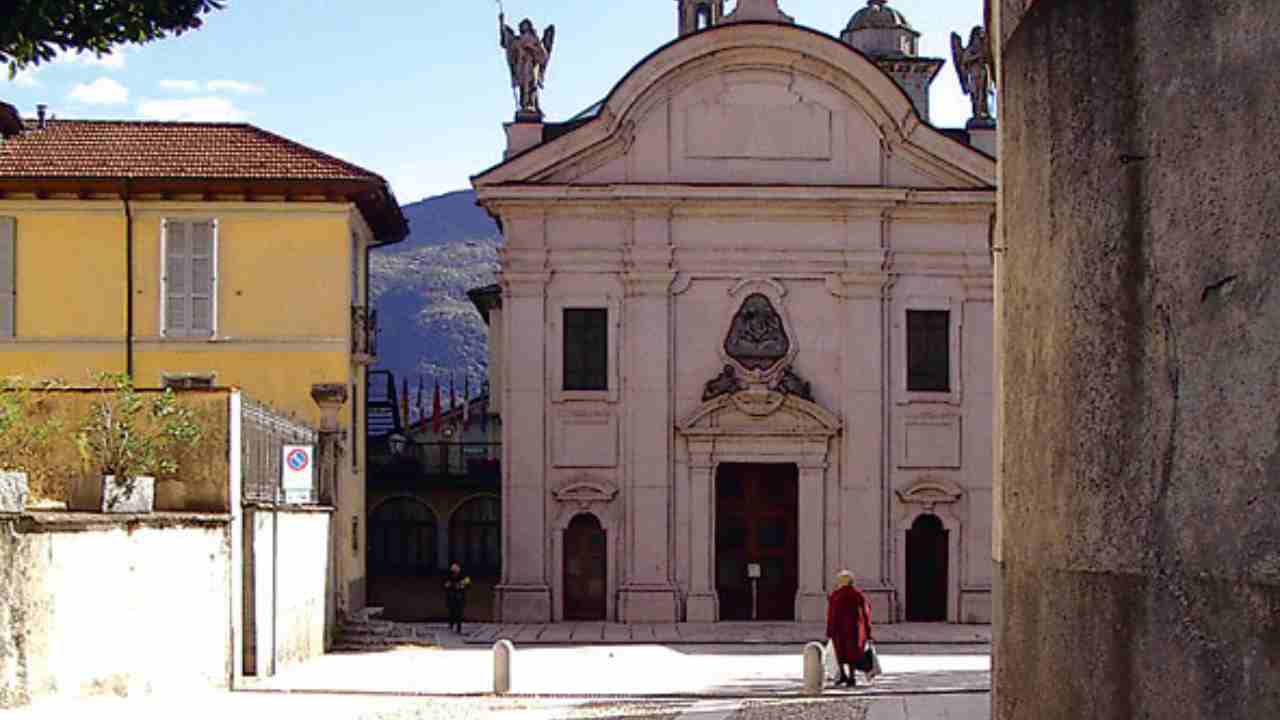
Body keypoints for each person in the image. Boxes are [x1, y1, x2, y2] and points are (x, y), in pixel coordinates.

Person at [826, 570, 873, 687]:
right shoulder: (858, 595)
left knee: (840, 653)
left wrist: (830, 629)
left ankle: (842, 674)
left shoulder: (836, 595)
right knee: (853, 653)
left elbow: (831, 614)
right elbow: (866, 614)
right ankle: (852, 676)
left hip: (839, 629)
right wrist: (868, 631)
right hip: (855, 629)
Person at [443, 562, 471, 633]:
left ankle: (458, 627)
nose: (455, 572)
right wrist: (452, 586)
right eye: (454, 571)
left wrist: (461, 585)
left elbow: (468, 583)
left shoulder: (463, 576)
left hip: (460, 597)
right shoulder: (449, 576)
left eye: (456, 570)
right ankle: (451, 624)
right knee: (452, 612)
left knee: (459, 613)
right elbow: (445, 585)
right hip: (452, 597)